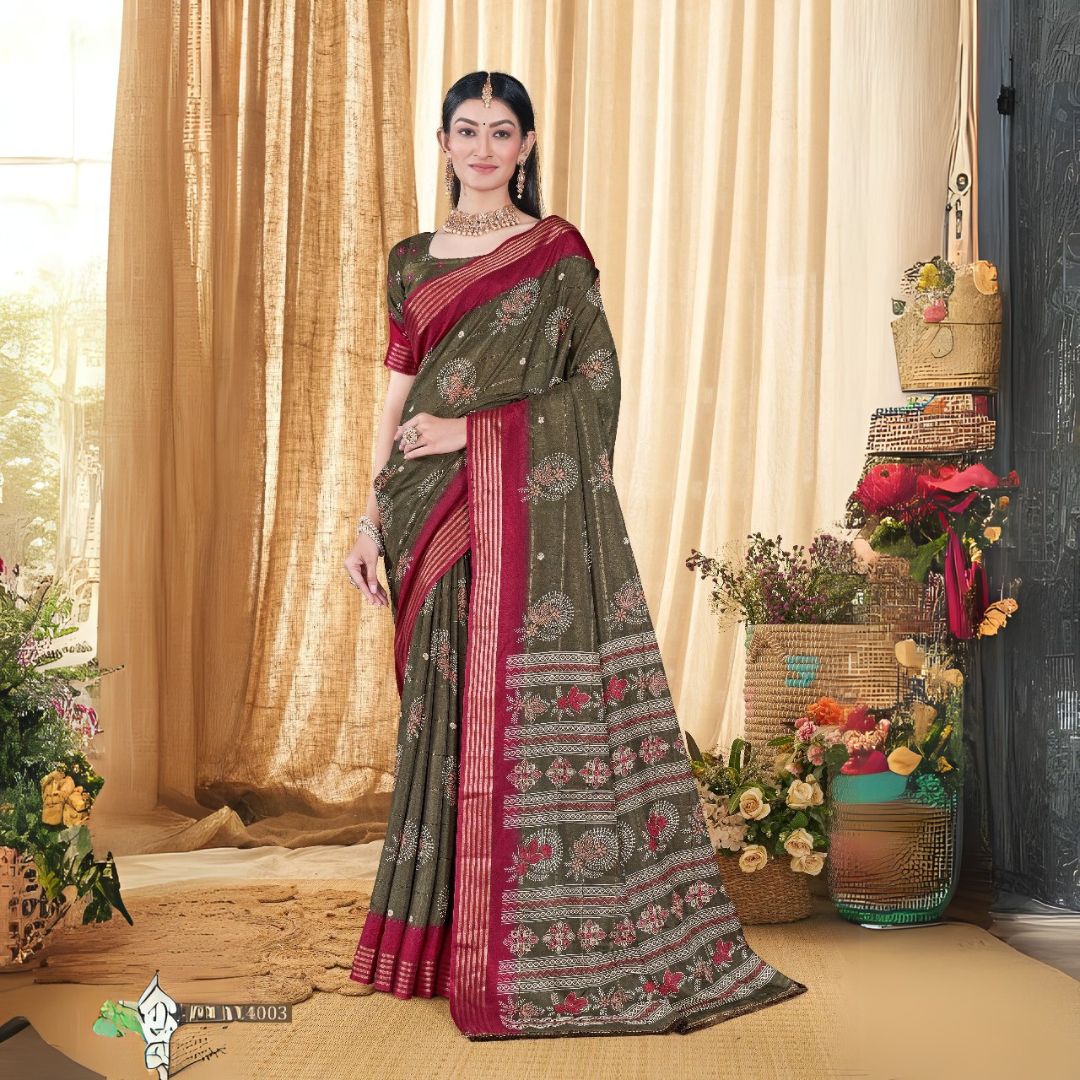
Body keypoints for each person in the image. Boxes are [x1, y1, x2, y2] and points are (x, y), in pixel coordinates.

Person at [344, 69, 807, 1040]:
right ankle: (434, 936)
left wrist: (474, 433)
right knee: (440, 704)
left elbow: (595, 388)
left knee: (497, 694)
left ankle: (516, 940)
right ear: (443, 142)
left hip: (502, 492)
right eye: (465, 130)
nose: (480, 148)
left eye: (500, 131)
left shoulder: (555, 256)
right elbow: (393, 400)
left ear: (525, 145)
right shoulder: (408, 261)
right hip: (420, 506)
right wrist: (360, 516)